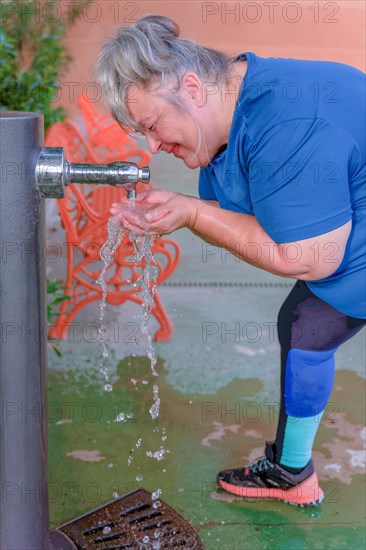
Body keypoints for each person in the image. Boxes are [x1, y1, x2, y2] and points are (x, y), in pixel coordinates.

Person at [95, 15, 366, 507]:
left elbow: (309, 258)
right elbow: (252, 215)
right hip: (349, 226)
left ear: (193, 87)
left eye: (152, 126)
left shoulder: (288, 124)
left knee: (310, 311)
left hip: (338, 242)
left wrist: (193, 212)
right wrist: (182, 210)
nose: (151, 146)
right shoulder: (235, 107)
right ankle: (291, 471)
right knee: (306, 324)